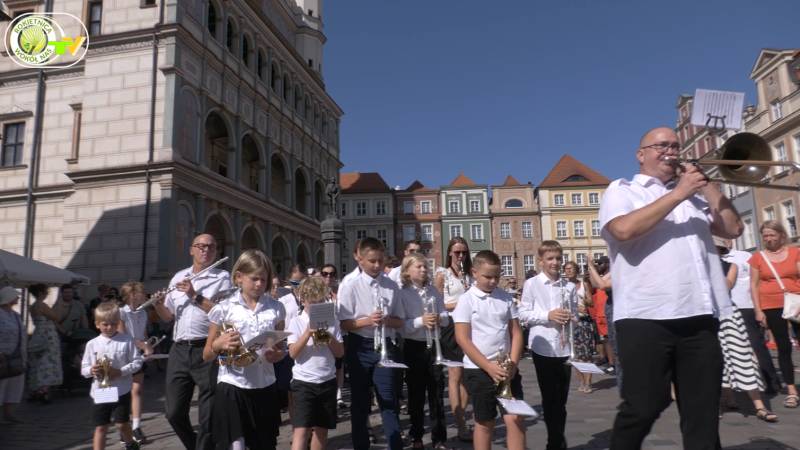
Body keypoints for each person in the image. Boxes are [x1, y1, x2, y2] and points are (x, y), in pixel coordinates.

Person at [600, 126, 742, 449]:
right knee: (644, 405)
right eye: (662, 145)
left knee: (703, 413)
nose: (671, 151)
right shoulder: (622, 190)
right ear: (641, 154)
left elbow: (733, 227)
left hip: (699, 315)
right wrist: (678, 194)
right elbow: (622, 230)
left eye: (676, 146)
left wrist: (706, 187)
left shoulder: (696, 197)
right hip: (646, 315)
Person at [153, 233, 232, 450]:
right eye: (200, 246)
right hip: (179, 349)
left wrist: (194, 295)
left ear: (216, 251)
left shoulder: (223, 277)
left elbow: (223, 313)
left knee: (208, 416)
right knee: (173, 412)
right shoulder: (178, 277)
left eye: (211, 247)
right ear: (191, 250)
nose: (205, 250)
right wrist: (158, 304)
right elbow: (168, 317)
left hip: (206, 348)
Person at [202, 249, 286, 450]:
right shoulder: (223, 308)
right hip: (232, 384)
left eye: (263, 280)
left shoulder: (276, 308)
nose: (259, 284)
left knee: (264, 444)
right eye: (254, 279)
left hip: (264, 384)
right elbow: (206, 354)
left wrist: (277, 355)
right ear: (239, 277)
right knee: (235, 445)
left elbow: (280, 348)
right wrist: (219, 344)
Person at [337, 237, 405, 450]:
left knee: (388, 400)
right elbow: (344, 323)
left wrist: (386, 320)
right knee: (360, 403)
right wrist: (368, 320)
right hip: (360, 345)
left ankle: (395, 446)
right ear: (361, 260)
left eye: (380, 261)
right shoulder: (350, 284)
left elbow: (400, 320)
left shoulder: (391, 285)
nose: (377, 265)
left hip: (385, 343)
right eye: (372, 261)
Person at [454, 250, 525, 450]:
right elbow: (462, 338)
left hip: (507, 368)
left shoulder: (506, 298)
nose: (493, 281)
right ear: (474, 272)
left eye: (497, 276)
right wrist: (488, 366)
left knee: (515, 418)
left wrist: (513, 363)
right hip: (479, 370)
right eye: (488, 276)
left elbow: (517, 333)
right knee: (485, 422)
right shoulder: (466, 300)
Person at [518, 241, 576, 449]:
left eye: (558, 258)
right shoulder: (532, 284)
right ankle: (555, 442)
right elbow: (523, 314)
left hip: (564, 347)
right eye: (550, 259)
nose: (555, 263)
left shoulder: (569, 286)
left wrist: (572, 317)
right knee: (550, 397)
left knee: (561, 400)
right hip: (542, 347)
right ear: (541, 261)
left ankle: (557, 438)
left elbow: (576, 314)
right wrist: (547, 315)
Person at [715, 247, 777, 423]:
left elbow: (726, 286)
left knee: (742, 355)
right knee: (714, 360)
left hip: (728, 314)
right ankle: (723, 400)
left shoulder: (730, 265)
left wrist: (711, 270)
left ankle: (759, 405)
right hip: (705, 315)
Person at [398, 253, 449, 449]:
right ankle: (417, 435)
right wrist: (421, 321)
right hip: (414, 347)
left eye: (425, 267)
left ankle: (439, 438)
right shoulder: (403, 293)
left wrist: (439, 318)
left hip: (434, 343)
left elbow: (445, 315)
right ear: (407, 271)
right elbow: (402, 326)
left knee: (436, 392)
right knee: (416, 394)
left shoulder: (433, 291)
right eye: (418, 266)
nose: (423, 270)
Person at [287, 276, 344, 450]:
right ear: (302, 300)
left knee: (322, 430)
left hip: (326, 380)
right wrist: (307, 334)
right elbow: (293, 353)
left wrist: (328, 336)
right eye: (313, 303)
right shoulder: (296, 322)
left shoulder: (332, 321)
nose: (316, 306)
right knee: (301, 430)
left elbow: (340, 352)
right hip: (303, 382)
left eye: (320, 302)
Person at [748, 220, 800, 409]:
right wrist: (758, 310)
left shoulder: (795, 252)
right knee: (784, 347)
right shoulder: (758, 257)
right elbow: (753, 285)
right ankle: (792, 390)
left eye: (772, 235)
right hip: (771, 305)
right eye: (765, 236)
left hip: (796, 303)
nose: (768, 239)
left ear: (781, 235)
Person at [721, 239, 781, 394]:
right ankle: (735, 387)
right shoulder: (711, 258)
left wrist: (758, 307)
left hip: (744, 305)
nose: (726, 242)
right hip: (724, 308)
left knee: (756, 344)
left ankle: (771, 382)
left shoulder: (743, 256)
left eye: (728, 239)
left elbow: (757, 280)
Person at [81, 302, 143, 450]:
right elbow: (84, 368)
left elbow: (137, 362)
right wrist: (91, 370)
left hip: (121, 390)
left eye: (114, 324)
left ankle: (130, 443)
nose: (109, 327)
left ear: (118, 323)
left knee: (122, 424)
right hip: (100, 392)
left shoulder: (126, 340)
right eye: (105, 324)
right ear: (97, 324)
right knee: (101, 427)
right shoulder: (92, 344)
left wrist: (120, 371)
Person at [433, 237, 474, 442]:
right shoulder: (442, 274)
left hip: (469, 325)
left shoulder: (470, 275)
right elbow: (437, 303)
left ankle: (461, 417)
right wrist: (462, 302)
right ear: (449, 252)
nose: (460, 256)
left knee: (467, 375)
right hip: (450, 325)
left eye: (464, 252)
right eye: (457, 252)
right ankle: (460, 424)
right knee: (455, 375)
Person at [119, 282, 153, 444]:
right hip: (123, 356)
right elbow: (123, 336)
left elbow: (144, 335)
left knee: (137, 391)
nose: (144, 295)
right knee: (123, 392)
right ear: (131, 295)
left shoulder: (143, 313)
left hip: (138, 355)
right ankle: (124, 427)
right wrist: (143, 345)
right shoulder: (121, 313)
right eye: (141, 292)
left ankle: (136, 427)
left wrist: (149, 346)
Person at [25, 283, 63, 404]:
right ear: (41, 293)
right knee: (48, 362)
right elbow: (56, 317)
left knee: (37, 363)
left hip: (38, 334)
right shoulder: (42, 305)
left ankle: (35, 389)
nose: (47, 293)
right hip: (48, 336)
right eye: (46, 292)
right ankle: (43, 390)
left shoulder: (32, 306)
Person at [320, 263, 348, 408]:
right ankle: (328, 393)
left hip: (340, 333)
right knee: (327, 363)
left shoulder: (340, 292)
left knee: (339, 365)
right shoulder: (318, 293)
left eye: (331, 274)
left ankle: (338, 394)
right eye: (325, 273)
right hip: (324, 332)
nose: (328, 276)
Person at [0, 287, 25, 424]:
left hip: (16, 355)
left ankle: (8, 413)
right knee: (1, 384)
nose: (18, 298)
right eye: (16, 296)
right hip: (2, 356)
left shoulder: (15, 315)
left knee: (15, 385)